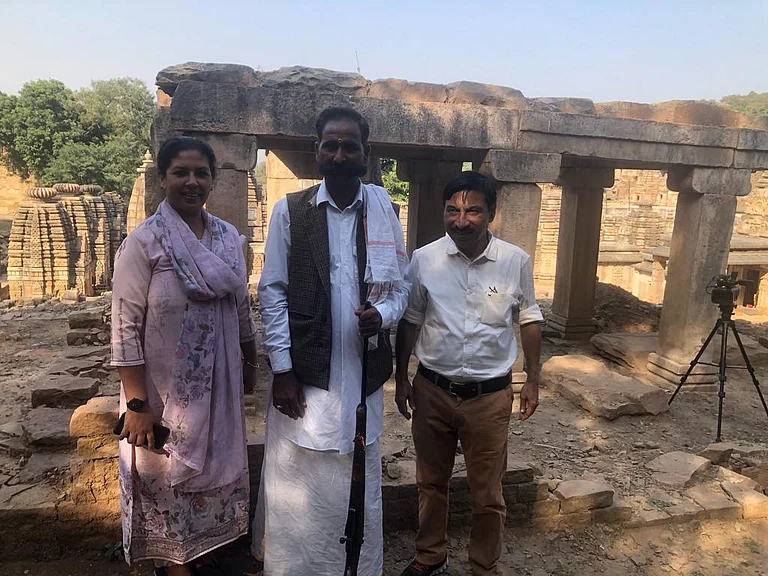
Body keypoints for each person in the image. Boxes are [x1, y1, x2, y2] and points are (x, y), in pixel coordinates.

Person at [253, 107, 409, 576]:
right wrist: (281, 370)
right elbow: (272, 290)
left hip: (362, 378)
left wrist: (381, 315)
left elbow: (400, 287)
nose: (339, 154)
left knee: (355, 477)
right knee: (299, 480)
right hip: (305, 380)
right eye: (330, 145)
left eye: (350, 146)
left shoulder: (384, 210)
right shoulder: (291, 210)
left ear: (366, 153)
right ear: (317, 150)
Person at [111, 136, 258, 576]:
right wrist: (136, 404)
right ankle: (175, 567)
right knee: (166, 485)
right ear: (162, 179)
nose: (192, 182)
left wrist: (250, 363)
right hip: (158, 397)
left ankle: (204, 558)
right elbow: (124, 327)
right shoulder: (144, 244)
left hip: (219, 392)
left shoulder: (229, 239)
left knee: (212, 486)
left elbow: (241, 306)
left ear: (213, 179)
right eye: (181, 173)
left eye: (201, 173)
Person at [395, 171, 543, 576]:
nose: (462, 220)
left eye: (473, 210)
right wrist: (402, 378)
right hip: (432, 391)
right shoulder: (424, 259)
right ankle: (430, 555)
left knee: (488, 493)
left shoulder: (515, 261)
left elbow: (529, 319)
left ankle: (483, 565)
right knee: (430, 482)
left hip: (490, 397)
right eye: (453, 210)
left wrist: (532, 378)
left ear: (491, 212)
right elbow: (411, 320)